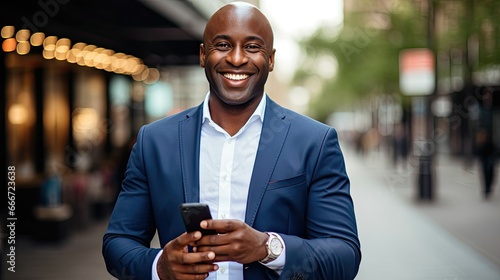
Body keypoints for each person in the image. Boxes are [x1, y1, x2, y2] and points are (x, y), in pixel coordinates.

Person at [102, 2, 361, 279]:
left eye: (252, 47)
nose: (236, 59)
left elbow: (344, 256)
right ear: (203, 55)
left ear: (271, 59)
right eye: (223, 45)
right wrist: (159, 267)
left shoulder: (315, 142)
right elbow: (117, 244)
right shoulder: (154, 141)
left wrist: (267, 248)